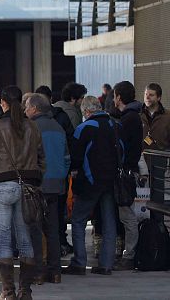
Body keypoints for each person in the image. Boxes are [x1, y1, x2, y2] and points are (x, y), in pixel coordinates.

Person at [0, 86, 44, 300]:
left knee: (4, 241)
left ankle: (8, 292)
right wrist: (35, 181)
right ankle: (25, 291)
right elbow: (42, 159)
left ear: (3, 103)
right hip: (27, 188)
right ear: (22, 103)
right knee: (25, 241)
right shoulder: (32, 126)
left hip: (1, 188)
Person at [62, 96, 119, 277]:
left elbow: (76, 157)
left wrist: (74, 174)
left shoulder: (84, 128)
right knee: (109, 221)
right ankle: (106, 264)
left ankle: (79, 263)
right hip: (111, 181)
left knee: (78, 220)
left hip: (90, 182)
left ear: (86, 111)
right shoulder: (114, 125)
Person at [23, 93, 69, 284]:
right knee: (53, 230)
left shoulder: (31, 127)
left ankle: (38, 272)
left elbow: (27, 157)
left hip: (37, 185)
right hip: (56, 185)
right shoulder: (58, 127)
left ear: (34, 108)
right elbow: (66, 158)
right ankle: (55, 271)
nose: (25, 110)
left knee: (35, 229)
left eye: (27, 107)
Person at [112, 81, 143, 270]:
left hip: (125, 172)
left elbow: (121, 148)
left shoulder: (127, 119)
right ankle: (128, 253)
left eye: (114, 96)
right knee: (126, 214)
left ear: (119, 97)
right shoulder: (133, 117)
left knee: (127, 215)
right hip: (130, 171)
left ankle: (129, 255)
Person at [141, 83, 170, 151]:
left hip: (162, 155)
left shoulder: (168, 116)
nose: (147, 97)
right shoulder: (138, 115)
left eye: (151, 95)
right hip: (141, 155)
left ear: (158, 98)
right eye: (146, 94)